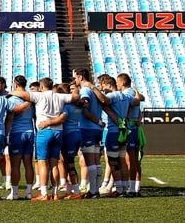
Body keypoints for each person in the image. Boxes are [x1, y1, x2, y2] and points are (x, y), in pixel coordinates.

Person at [9, 77, 80, 201]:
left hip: (44, 131)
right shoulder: (60, 97)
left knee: (42, 163)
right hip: (58, 131)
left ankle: (44, 193)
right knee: (54, 164)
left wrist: (11, 92)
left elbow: (22, 93)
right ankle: (55, 193)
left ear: (41, 87)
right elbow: (75, 97)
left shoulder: (39, 96)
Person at [98, 73, 141, 197]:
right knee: (122, 160)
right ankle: (123, 188)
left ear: (109, 85)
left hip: (113, 131)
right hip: (124, 131)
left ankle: (119, 189)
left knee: (113, 161)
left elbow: (103, 100)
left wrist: (95, 90)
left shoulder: (113, 95)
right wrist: (126, 118)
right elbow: (137, 102)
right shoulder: (126, 97)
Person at [75, 68, 109, 199]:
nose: (75, 80)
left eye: (76, 78)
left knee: (90, 161)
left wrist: (97, 121)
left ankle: (93, 191)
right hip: (96, 130)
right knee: (96, 160)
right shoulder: (96, 90)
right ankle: (96, 190)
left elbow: (85, 106)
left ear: (81, 77)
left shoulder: (85, 90)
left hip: (87, 128)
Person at [5, 75, 36, 200]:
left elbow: (10, 118)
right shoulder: (31, 99)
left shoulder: (12, 99)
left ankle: (15, 193)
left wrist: (6, 135)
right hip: (30, 132)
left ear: (15, 84)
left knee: (15, 165)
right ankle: (29, 193)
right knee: (28, 163)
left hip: (17, 133)